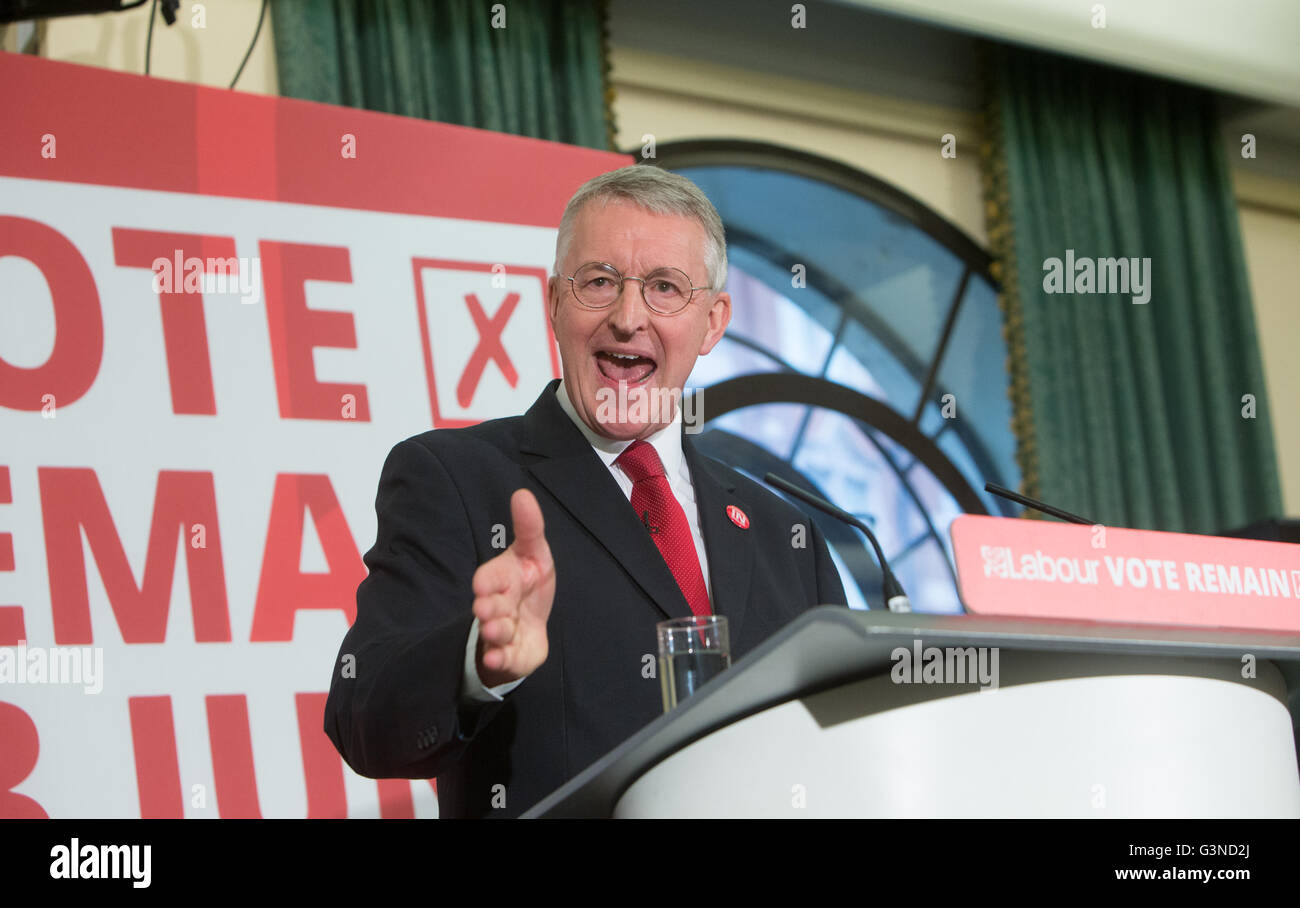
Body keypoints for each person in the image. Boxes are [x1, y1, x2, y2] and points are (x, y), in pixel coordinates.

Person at [324, 165, 848, 818]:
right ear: (553, 304)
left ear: (713, 322)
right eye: (599, 282)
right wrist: (477, 661)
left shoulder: (786, 535)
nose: (628, 319)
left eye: (665, 288)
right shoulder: (455, 476)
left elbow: (841, 757)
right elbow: (363, 717)